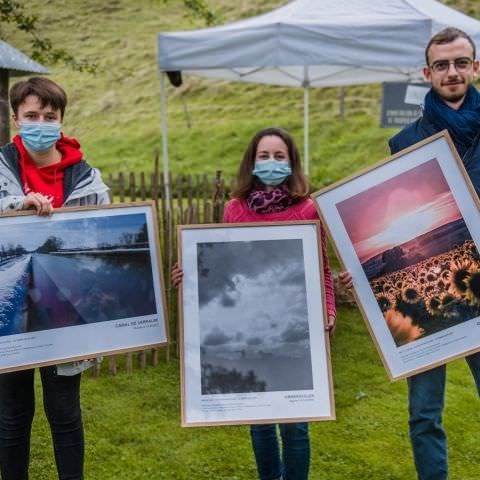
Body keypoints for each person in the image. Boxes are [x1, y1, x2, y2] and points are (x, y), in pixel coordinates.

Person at [340, 27, 480, 480]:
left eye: (461, 62)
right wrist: (363, 272)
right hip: (425, 291)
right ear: (428, 73)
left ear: (475, 67)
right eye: (442, 64)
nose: (452, 71)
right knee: (424, 413)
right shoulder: (406, 141)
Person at [172, 126, 336, 480]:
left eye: (280, 156)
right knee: (259, 422)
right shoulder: (235, 209)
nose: (272, 162)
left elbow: (321, 268)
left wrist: (329, 309)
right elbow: (225, 267)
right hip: (248, 326)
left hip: (296, 327)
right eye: (265, 156)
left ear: (292, 164)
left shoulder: (307, 209)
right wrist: (192, 276)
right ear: (252, 161)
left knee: (296, 427)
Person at [0, 77, 110, 480]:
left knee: (64, 412)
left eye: (49, 116)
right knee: (12, 414)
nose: (40, 122)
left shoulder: (86, 178)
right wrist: (16, 205)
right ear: (16, 117)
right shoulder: (1, 166)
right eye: (31, 115)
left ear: (61, 119)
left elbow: (104, 236)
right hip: (7, 313)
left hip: (65, 310)